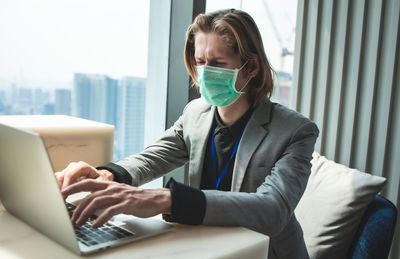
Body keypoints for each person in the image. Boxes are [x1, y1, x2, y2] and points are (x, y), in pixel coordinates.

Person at [58, 9, 319, 259]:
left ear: (251, 68)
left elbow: (273, 210)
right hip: (205, 246)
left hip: (262, 253)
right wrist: (109, 174)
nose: (205, 73)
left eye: (218, 63)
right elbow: (152, 158)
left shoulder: (295, 131)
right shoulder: (195, 113)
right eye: (200, 62)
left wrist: (168, 200)